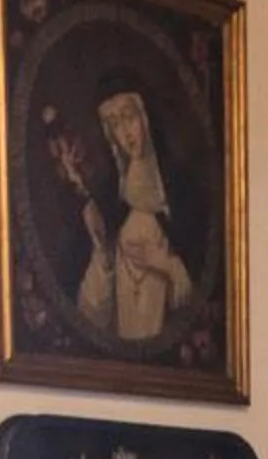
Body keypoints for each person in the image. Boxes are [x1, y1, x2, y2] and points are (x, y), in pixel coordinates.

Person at [63, 79, 193, 340]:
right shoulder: (110, 196)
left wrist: (167, 266)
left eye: (128, 117)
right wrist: (102, 252)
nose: (125, 132)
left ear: (145, 117)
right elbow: (92, 313)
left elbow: (198, 295)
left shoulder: (180, 187)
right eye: (114, 124)